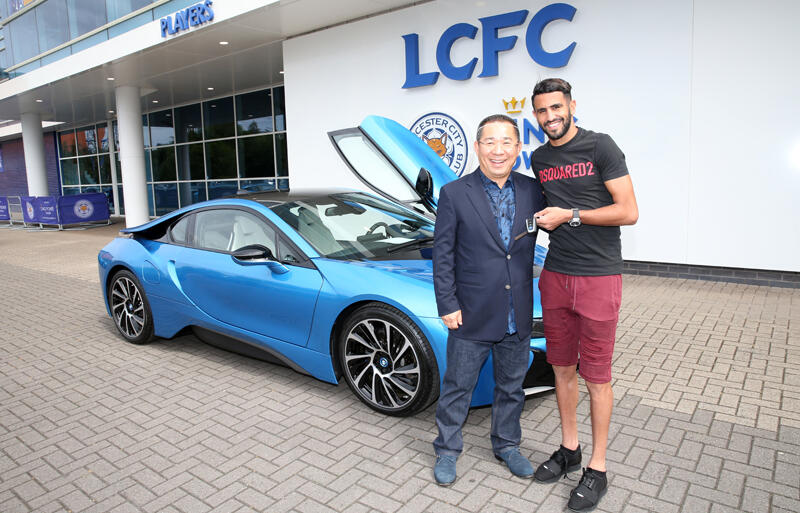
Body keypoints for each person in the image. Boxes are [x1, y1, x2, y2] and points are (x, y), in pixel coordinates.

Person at [529, 78, 639, 512]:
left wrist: (570, 215)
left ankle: (598, 467)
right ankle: (570, 449)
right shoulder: (539, 158)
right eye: (542, 110)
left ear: (572, 106)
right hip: (555, 275)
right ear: (535, 115)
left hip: (598, 277)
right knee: (561, 369)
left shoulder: (600, 146)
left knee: (597, 377)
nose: (550, 117)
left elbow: (628, 211)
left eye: (556, 107)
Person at [432, 114, 546, 486]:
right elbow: (443, 254)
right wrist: (447, 303)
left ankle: (507, 445)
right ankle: (447, 450)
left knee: (512, 388)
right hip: (471, 314)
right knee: (458, 387)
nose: (499, 150)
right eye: (490, 142)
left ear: (518, 147)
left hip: (517, 312)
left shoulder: (534, 190)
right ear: (478, 146)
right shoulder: (454, 193)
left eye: (506, 142)